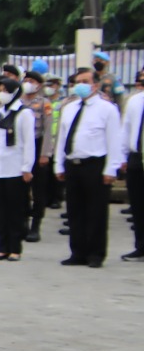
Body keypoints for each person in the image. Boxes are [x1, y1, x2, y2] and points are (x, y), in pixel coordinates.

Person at [55, 67, 123, 268]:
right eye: (78, 82)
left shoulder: (107, 109)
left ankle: (95, 253)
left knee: (96, 211)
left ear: (95, 84)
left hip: (94, 165)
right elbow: (62, 139)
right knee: (75, 210)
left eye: (85, 81)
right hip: (73, 163)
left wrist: (111, 169)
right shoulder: (69, 108)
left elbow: (114, 140)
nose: (81, 85)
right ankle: (77, 252)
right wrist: (58, 164)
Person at [0, 77, 36, 261]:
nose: (2, 93)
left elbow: (29, 142)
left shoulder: (24, 113)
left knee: (15, 211)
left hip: (15, 168)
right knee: (1, 211)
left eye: (6, 89)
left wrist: (27, 167)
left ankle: (15, 248)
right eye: (1, 89)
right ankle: (2, 248)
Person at [20, 70, 55, 242]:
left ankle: (36, 226)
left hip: (37, 144)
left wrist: (45, 154)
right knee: (21, 189)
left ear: (39, 84)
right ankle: (23, 223)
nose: (28, 83)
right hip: (21, 148)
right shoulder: (18, 101)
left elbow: (49, 130)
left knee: (39, 190)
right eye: (26, 80)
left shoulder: (44, 103)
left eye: (31, 80)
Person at [122, 68, 144, 262]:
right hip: (136, 156)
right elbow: (126, 127)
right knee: (137, 204)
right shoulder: (134, 101)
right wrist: (122, 156)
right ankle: (140, 246)